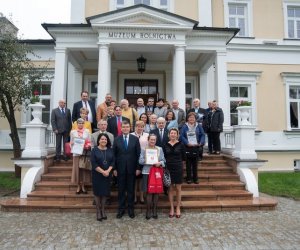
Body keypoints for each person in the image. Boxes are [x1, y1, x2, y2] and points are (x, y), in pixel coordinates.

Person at [113, 121, 141, 219]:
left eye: (127, 127)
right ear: (121, 128)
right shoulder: (116, 139)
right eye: (123, 127)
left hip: (132, 169)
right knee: (120, 190)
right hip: (120, 169)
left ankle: (130, 209)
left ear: (130, 128)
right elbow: (114, 155)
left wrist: (138, 168)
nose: (125, 128)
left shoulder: (135, 139)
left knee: (130, 190)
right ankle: (121, 209)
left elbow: (139, 154)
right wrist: (114, 169)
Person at [139, 134, 165, 219]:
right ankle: (148, 210)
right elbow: (140, 161)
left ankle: (155, 210)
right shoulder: (144, 149)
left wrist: (159, 163)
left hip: (156, 172)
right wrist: (148, 160)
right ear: (148, 139)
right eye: (151, 139)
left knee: (156, 191)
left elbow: (163, 160)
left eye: (154, 140)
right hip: (147, 172)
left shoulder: (159, 149)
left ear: (156, 140)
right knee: (149, 192)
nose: (152, 141)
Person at [90, 133, 114, 221]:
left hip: (107, 175)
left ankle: (103, 210)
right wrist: (103, 171)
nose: (103, 140)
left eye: (105, 139)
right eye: (102, 139)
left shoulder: (110, 150)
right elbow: (94, 163)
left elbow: (113, 162)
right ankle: (98, 211)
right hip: (97, 175)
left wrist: (107, 171)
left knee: (105, 193)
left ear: (107, 141)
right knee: (97, 193)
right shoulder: (94, 150)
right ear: (98, 140)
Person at [163, 128, 186, 218]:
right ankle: (172, 208)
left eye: (174, 133)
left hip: (178, 168)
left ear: (177, 135)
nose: (173, 134)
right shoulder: (165, 145)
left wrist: (180, 167)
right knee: (171, 188)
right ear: (169, 135)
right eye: (171, 133)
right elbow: (163, 157)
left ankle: (178, 208)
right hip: (168, 168)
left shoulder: (181, 144)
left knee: (178, 188)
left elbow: (184, 158)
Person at [180, 112, 205, 184]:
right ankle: (188, 178)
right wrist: (187, 143)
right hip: (187, 147)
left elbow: (202, 135)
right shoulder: (184, 126)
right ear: (187, 119)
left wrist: (201, 142)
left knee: (195, 164)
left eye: (193, 118)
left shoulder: (199, 126)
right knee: (188, 164)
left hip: (196, 146)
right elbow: (181, 136)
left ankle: (195, 178)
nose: (191, 119)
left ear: (195, 119)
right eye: (190, 117)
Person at [70, 118, 91, 194]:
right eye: (79, 123)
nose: (80, 124)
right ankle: (78, 185)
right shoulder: (73, 132)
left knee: (83, 169)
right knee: (77, 169)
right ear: (77, 124)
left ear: (84, 124)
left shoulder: (87, 131)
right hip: (76, 153)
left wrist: (87, 146)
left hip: (84, 153)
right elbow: (71, 142)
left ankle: (83, 185)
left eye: (82, 123)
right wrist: (71, 144)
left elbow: (89, 141)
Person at [131, 121, 149, 205]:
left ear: (143, 127)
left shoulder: (147, 135)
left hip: (143, 160)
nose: (140, 128)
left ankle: (141, 196)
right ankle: (134, 196)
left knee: (142, 179)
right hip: (133, 159)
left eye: (141, 126)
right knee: (134, 180)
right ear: (135, 127)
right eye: (138, 126)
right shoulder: (131, 135)